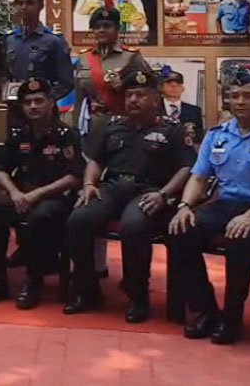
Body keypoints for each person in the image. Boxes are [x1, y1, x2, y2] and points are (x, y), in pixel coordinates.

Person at [168, 68, 250, 345]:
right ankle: (206, 310)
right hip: (224, 205)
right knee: (181, 230)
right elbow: (198, 177)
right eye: (235, 96)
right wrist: (185, 206)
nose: (239, 101)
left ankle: (232, 318)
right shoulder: (217, 135)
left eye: (247, 96)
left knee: (239, 239)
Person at [63, 69, 193, 323]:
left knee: (133, 226)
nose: (133, 100)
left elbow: (186, 167)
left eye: (140, 95)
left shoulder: (172, 130)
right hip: (112, 188)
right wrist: (89, 183)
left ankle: (138, 296)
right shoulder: (112, 126)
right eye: (129, 95)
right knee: (78, 219)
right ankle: (87, 291)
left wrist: (164, 193)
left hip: (149, 191)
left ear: (155, 99)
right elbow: (96, 160)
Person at [0, 78, 82, 308]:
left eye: (39, 101)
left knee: (38, 218)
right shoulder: (18, 133)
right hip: (21, 195)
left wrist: (38, 194)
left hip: (54, 196)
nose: (33, 106)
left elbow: (74, 176)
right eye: (27, 102)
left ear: (51, 103)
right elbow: (0, 170)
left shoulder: (66, 134)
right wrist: (14, 192)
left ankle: (34, 281)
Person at [73, 0, 148, 136]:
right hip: (94, 125)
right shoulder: (84, 58)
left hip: (123, 125)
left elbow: (150, 87)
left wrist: (125, 84)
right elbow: (80, 98)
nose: (101, 30)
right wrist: (75, 128)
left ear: (117, 29)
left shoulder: (132, 57)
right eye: (97, 27)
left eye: (107, 26)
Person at [4, 0, 73, 100]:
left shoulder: (53, 40)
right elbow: (4, 74)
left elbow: (66, 81)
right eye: (20, 3)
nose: (24, 7)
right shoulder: (10, 39)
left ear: (40, 6)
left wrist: (47, 99)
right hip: (16, 104)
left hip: (43, 106)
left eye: (30, 3)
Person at [161, 70, 203, 140]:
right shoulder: (153, 109)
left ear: (182, 88)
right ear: (162, 87)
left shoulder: (194, 111)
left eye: (178, 85)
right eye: (169, 84)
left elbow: (198, 138)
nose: (174, 87)